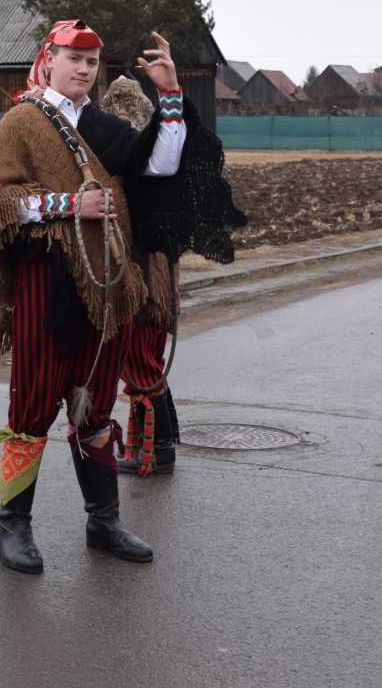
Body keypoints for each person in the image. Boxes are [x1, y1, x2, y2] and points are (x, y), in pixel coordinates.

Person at [0, 21, 187, 575]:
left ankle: (102, 521)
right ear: (49, 59)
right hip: (46, 282)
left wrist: (171, 92)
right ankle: (12, 525)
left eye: (91, 61)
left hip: (107, 287)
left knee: (96, 408)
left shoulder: (104, 127)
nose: (83, 69)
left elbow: (164, 164)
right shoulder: (22, 122)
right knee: (32, 407)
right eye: (73, 58)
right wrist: (67, 204)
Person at [98, 76, 245, 479]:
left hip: (141, 267)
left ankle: (153, 453)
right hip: (160, 268)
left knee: (139, 358)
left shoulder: (136, 148)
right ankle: (159, 447)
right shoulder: (153, 137)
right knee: (149, 356)